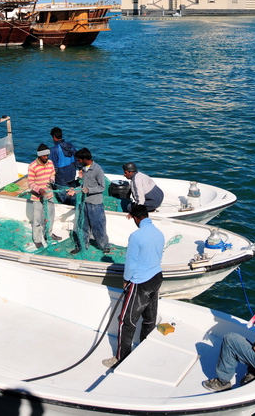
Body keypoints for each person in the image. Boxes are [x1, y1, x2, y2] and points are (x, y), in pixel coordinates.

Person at [102, 204, 164, 368]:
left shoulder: (136, 236)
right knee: (149, 319)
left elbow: (130, 262)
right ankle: (145, 351)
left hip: (140, 282)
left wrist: (126, 279)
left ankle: (121, 358)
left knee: (125, 321)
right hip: (157, 277)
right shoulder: (159, 233)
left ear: (136, 218)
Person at [68, 147, 110, 254]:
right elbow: (82, 186)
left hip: (95, 204)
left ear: (85, 159)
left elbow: (102, 187)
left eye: (79, 160)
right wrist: (75, 191)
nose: (78, 162)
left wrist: (89, 190)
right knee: (83, 226)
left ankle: (104, 245)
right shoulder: (84, 170)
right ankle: (82, 245)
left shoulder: (98, 170)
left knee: (98, 226)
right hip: (84, 203)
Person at [27, 143, 62, 249]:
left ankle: (49, 234)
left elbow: (52, 174)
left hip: (50, 195)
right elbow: (30, 183)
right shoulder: (32, 166)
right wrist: (39, 190)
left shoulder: (50, 163)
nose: (46, 158)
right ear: (39, 155)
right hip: (37, 198)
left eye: (47, 155)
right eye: (44, 156)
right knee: (37, 220)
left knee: (50, 216)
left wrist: (52, 180)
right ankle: (37, 240)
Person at [49, 127, 77, 204]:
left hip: (61, 177)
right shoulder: (70, 145)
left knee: (64, 196)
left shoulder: (54, 149)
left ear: (54, 137)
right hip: (72, 174)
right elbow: (77, 157)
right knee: (72, 192)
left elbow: (52, 165)